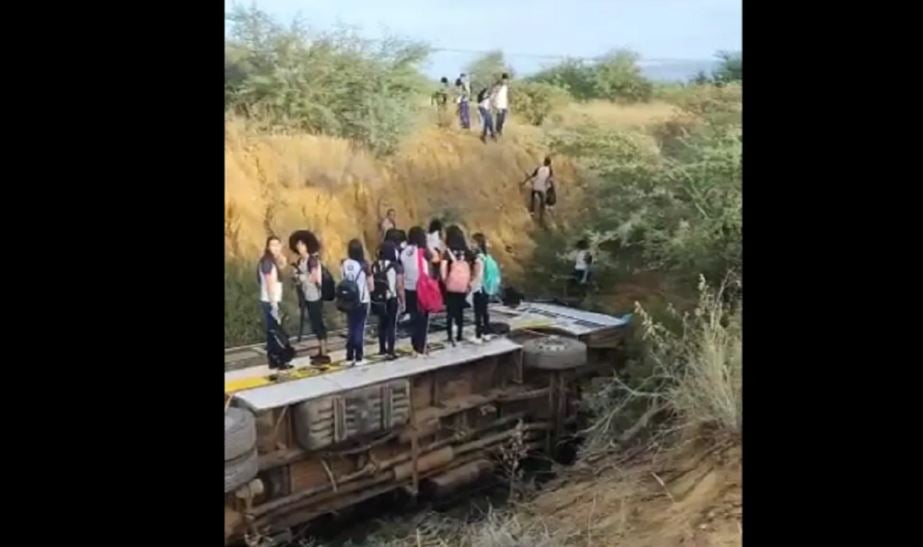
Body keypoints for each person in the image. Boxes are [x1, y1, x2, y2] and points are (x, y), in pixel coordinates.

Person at [290, 230, 328, 359]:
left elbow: (314, 278)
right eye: (298, 245)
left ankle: (323, 352)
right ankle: (320, 350)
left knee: (318, 323)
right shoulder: (300, 261)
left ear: (307, 245)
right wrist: (295, 277)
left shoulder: (312, 260)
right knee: (314, 323)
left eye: (301, 245)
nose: (299, 247)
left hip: (315, 296)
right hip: (306, 295)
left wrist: (300, 277)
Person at [341, 239, 375, 366]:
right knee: (359, 328)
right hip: (362, 300)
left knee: (351, 327)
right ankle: (359, 357)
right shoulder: (364, 265)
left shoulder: (345, 263)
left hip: (349, 300)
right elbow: (371, 286)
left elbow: (343, 279)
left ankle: (349, 357)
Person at [258, 236, 290, 368]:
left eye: (278, 245)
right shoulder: (268, 263)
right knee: (276, 333)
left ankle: (273, 361)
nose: (275, 248)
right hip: (270, 301)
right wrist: (274, 305)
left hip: (269, 300)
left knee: (272, 332)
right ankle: (278, 360)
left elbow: (281, 266)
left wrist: (281, 258)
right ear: (267, 247)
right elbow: (270, 284)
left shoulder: (269, 261)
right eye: (272, 245)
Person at [401, 226, 433, 356]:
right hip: (422, 288)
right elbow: (433, 258)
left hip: (409, 288)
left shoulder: (404, 251)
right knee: (423, 319)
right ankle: (421, 345)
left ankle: (414, 344)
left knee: (413, 317)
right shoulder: (423, 251)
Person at [440, 225, 474, 346]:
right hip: (463, 285)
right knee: (460, 310)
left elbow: (443, 268)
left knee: (450, 311)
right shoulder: (467, 251)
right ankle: (459, 335)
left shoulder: (448, 252)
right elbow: (473, 266)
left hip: (450, 285)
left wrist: (445, 281)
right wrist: (469, 282)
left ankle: (450, 335)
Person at [372, 240, 404, 359]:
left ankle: (382, 349)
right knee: (392, 324)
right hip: (391, 298)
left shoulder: (374, 265)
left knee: (381, 324)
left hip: (379, 299)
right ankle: (391, 350)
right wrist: (403, 301)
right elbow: (399, 286)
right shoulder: (396, 266)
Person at [470, 233, 493, 343]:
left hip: (479, 288)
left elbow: (476, 275)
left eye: (473, 242)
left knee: (477, 313)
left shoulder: (478, 258)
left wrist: (470, 284)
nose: (471, 244)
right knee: (485, 311)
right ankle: (487, 333)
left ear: (478, 244)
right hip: (486, 287)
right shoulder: (486, 256)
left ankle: (478, 336)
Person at [522, 156, 554, 222]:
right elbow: (549, 180)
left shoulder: (539, 168)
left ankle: (532, 211)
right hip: (541, 189)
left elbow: (532, 176)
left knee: (533, 196)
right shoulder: (550, 170)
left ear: (544, 162)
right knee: (543, 202)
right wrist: (550, 188)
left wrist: (524, 182)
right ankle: (541, 217)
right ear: (549, 163)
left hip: (535, 187)